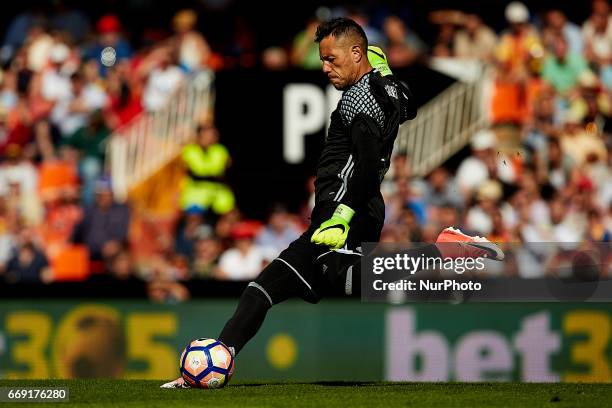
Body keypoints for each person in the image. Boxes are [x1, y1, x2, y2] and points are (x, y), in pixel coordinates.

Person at [161, 18, 504, 388]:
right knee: (263, 288)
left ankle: (445, 251)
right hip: (335, 208)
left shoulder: (359, 97)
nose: (324, 68)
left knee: (348, 280)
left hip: (347, 206)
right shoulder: (386, 88)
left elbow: (369, 165)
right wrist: (385, 74)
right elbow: (410, 105)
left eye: (331, 59)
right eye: (322, 60)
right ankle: (219, 359)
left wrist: (342, 214)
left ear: (357, 53)